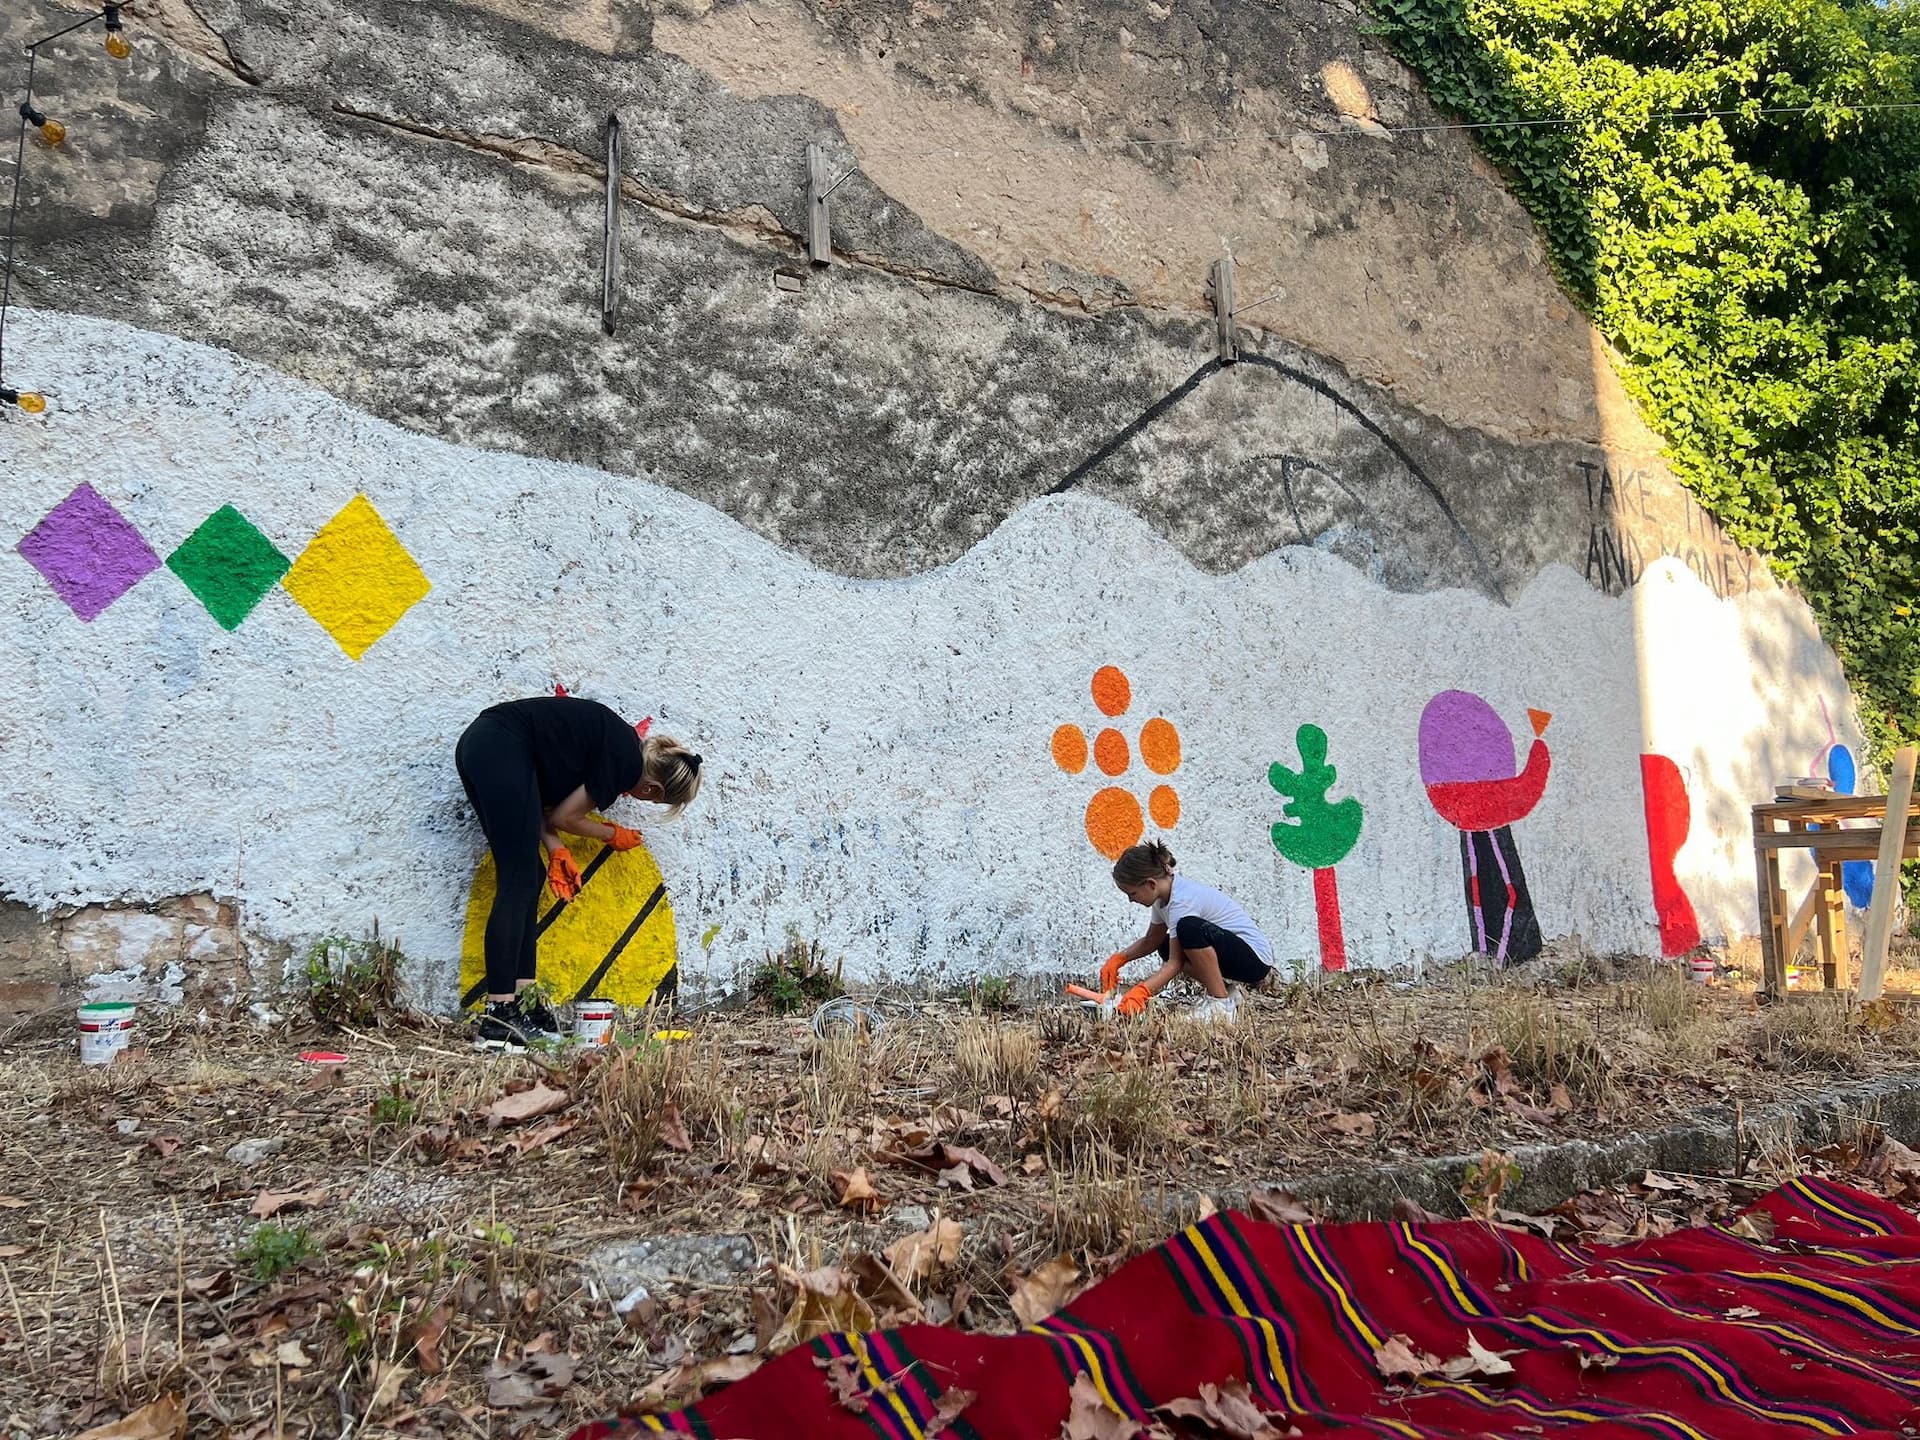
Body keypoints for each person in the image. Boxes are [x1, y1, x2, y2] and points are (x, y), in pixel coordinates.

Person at [456, 694, 703, 1049]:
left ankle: (524, 1005)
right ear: (653, 789)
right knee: (518, 879)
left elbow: (540, 807)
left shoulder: (618, 747)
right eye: (653, 800)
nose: (642, 799)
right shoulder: (623, 762)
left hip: (489, 745)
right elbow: (564, 817)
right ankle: (498, 1019)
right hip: (498, 746)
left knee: (530, 877)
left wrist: (555, 848)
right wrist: (611, 834)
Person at [1098, 841, 1272, 1025]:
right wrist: (1119, 959)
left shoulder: (1182, 901)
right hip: (1236, 954)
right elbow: (1152, 940)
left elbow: (1175, 963)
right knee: (1165, 945)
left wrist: (1142, 991)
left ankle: (1220, 1004)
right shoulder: (1163, 898)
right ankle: (1228, 994)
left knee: (1188, 928)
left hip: (1254, 960)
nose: (1131, 900)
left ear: (1151, 884)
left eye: (1132, 893)